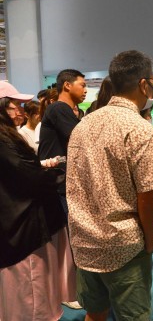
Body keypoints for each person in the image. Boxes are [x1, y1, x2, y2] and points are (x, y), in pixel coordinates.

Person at [66, 50, 153, 320]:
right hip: (125, 244)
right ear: (144, 84)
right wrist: (151, 240)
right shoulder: (140, 129)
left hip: (84, 241)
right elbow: (146, 195)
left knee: (95, 313)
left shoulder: (83, 125)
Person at [0, 82, 74, 320]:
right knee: (31, 300)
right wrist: (56, 173)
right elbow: (29, 177)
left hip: (20, 230)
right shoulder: (4, 140)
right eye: (15, 106)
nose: (21, 111)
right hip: (22, 233)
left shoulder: (8, 137)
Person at [38, 69, 87, 214]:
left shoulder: (63, 109)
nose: (85, 91)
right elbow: (79, 141)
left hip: (61, 184)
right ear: (67, 85)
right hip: (58, 184)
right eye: (82, 85)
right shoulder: (59, 108)